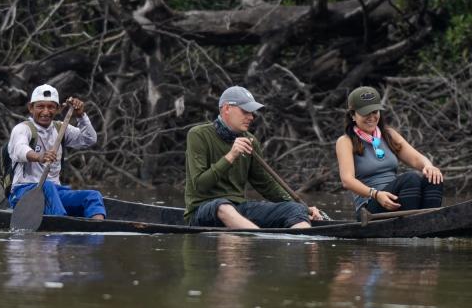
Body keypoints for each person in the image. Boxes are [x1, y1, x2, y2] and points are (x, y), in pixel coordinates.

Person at [184, 86, 322, 229]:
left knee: (295, 209)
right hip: (202, 211)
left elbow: (266, 185)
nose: (251, 117)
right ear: (226, 109)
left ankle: (306, 243)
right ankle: (257, 240)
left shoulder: (250, 140)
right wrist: (231, 156)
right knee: (222, 206)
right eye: (245, 111)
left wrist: (303, 208)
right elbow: (200, 185)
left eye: (251, 112)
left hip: (239, 209)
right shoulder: (198, 135)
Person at [336, 86, 443, 219]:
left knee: (434, 178)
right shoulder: (345, 141)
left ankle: (430, 221)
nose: (371, 117)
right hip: (370, 206)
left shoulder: (389, 134)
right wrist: (376, 194)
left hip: (395, 199)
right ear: (353, 115)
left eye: (375, 112)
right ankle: (412, 225)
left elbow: (416, 159)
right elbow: (347, 180)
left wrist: (429, 166)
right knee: (411, 178)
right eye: (365, 113)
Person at [7, 84, 106, 220]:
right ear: (31, 108)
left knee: (93, 196)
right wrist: (39, 156)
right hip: (23, 192)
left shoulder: (61, 128)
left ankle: (97, 228)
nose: (46, 112)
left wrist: (81, 116)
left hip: (55, 191)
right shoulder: (22, 129)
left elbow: (89, 139)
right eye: (40, 106)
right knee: (48, 187)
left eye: (51, 107)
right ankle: (61, 224)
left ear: (58, 109)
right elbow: (19, 149)